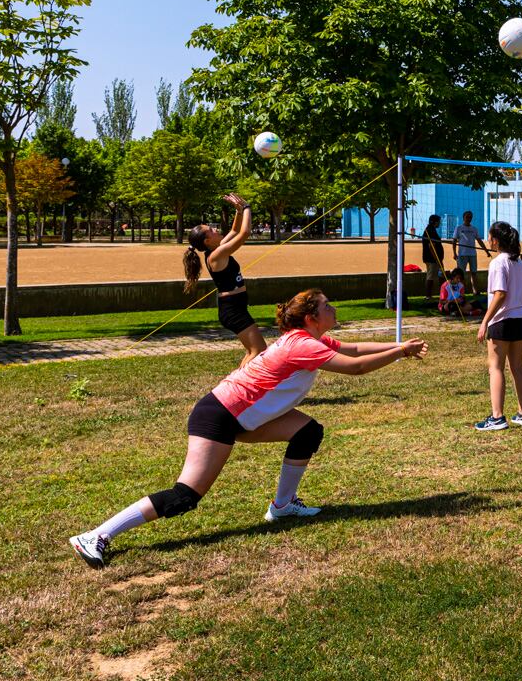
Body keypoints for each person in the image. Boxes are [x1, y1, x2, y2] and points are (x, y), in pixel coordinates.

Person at [68, 290, 427, 568]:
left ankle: (283, 506)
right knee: (185, 496)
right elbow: (356, 367)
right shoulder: (301, 344)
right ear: (311, 316)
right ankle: (95, 535)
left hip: (242, 417)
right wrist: (400, 353)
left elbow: (354, 346)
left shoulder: (311, 338)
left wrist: (400, 347)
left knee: (307, 431)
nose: (333, 309)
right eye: (327, 305)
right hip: (219, 416)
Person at [183, 192, 267, 367]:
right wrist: (247, 207)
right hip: (232, 310)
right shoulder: (216, 255)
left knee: (254, 350)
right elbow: (245, 233)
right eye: (211, 230)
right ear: (207, 241)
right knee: (258, 350)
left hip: (235, 307)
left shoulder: (217, 249)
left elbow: (235, 230)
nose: (216, 230)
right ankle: (236, 389)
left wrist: (238, 211)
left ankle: (239, 389)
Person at [475, 221, 522, 431]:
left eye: (489, 236)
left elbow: (500, 294)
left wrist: (484, 321)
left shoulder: (498, 262)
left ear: (496, 240)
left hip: (503, 320)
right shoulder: (519, 262)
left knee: (496, 368)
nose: (487, 240)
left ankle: (497, 417)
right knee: (518, 367)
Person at [453, 210, 487, 296]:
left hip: (472, 254)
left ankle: (475, 291)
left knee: (474, 273)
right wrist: (454, 253)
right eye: (467, 217)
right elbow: (454, 241)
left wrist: (486, 251)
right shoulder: (459, 228)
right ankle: (461, 292)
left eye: (470, 217)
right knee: (460, 274)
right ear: (463, 218)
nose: (469, 218)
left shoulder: (474, 229)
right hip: (462, 255)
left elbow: (479, 241)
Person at [420, 214, 447, 302]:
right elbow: (431, 246)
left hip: (433, 259)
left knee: (440, 275)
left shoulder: (431, 230)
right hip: (432, 259)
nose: (439, 223)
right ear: (434, 222)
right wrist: (437, 259)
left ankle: (442, 294)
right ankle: (428, 296)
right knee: (430, 277)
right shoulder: (430, 230)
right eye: (438, 221)